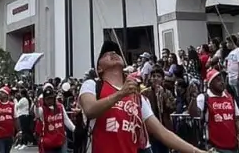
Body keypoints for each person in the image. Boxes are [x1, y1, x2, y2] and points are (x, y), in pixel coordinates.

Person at [78, 39, 206, 153]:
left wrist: (195, 151)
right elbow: (90, 110)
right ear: (99, 68)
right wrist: (121, 93)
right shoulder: (92, 85)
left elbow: (163, 133)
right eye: (106, 54)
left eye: (116, 52)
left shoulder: (138, 98)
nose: (113, 54)